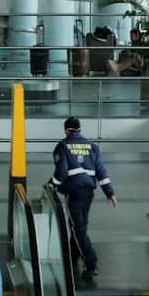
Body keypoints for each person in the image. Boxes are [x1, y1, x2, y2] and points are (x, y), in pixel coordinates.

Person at [50, 117, 117, 281]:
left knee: (77, 228)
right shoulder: (92, 146)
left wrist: (51, 185)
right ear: (79, 129)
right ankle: (71, 259)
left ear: (66, 130)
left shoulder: (63, 146)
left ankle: (91, 262)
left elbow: (62, 173)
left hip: (74, 191)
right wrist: (109, 193)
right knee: (78, 226)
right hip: (88, 192)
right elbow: (101, 171)